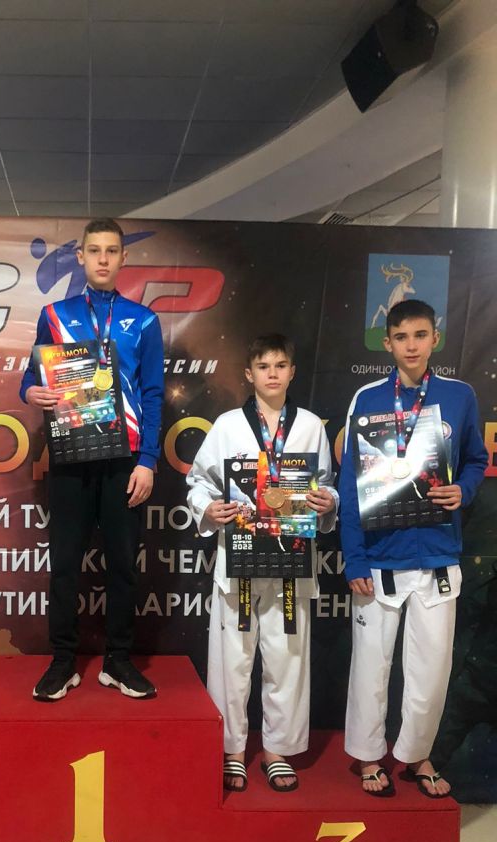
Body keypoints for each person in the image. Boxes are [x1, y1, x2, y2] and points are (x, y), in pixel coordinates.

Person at [339, 298, 487, 796]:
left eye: (420, 335)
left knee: (431, 669)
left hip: (438, 554)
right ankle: (368, 756)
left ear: (435, 339)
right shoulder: (367, 398)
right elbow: (349, 484)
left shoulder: (459, 396)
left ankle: (417, 755)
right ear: (387, 343)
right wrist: (354, 558)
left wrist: (464, 490)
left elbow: (475, 459)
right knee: (371, 667)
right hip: (380, 554)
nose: (411, 346)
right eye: (401, 337)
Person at [19, 219, 164, 701]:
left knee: (123, 563)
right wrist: (32, 392)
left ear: (124, 258)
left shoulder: (143, 320)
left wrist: (147, 460)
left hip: (125, 459)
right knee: (64, 563)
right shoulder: (54, 314)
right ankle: (63, 661)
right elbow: (30, 378)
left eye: (112, 250)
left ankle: (117, 661)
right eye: (94, 250)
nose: (103, 258)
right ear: (80, 256)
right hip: (71, 453)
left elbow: (153, 393)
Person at [186, 334, 338, 792]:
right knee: (231, 661)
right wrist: (208, 509)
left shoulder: (309, 426)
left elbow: (326, 484)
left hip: (291, 560)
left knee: (287, 658)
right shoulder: (228, 425)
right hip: (240, 560)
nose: (273, 373)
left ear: (293, 372)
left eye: (280, 365)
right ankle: (231, 750)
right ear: (249, 374)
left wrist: (326, 501)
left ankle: (278, 750)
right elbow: (199, 482)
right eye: (263, 366)